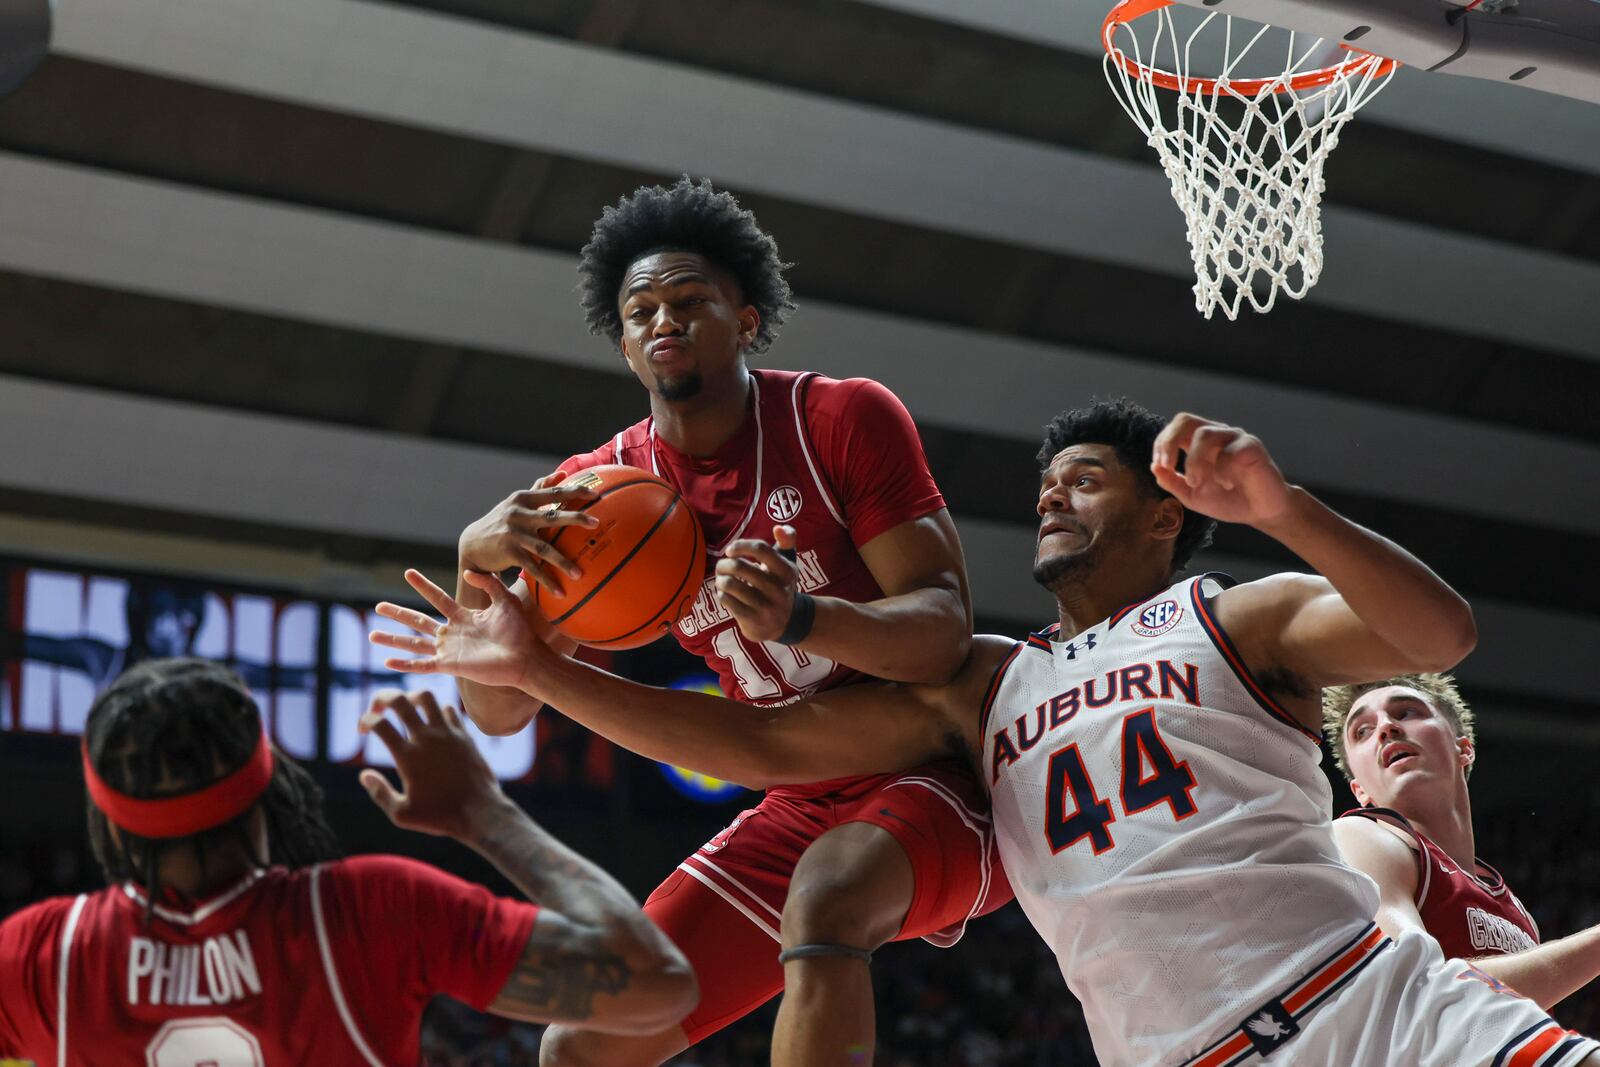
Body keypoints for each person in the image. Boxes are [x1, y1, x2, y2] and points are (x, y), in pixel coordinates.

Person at [378, 399, 1600, 1066]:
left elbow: (1437, 636)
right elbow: (753, 752)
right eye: (1044, 484)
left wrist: (1287, 509)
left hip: (1387, 1014)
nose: (1048, 494)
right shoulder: (982, 684)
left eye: (1080, 477)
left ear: (1164, 514)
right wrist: (540, 668)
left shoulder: (1232, 616)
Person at [447, 177, 1007, 1067]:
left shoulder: (840, 418)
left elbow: (944, 632)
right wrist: (479, 564)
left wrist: (806, 616)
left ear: (746, 320)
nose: (662, 321)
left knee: (824, 901)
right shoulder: (595, 492)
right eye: (641, 312)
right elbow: (499, 710)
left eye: (688, 300)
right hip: (798, 784)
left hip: (944, 760)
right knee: (582, 1043)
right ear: (626, 346)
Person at [0, 658, 695, 1065]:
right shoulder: (369, 911)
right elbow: (659, 983)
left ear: (111, 827)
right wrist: (485, 815)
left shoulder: (42, 953)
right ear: (269, 791)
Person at [1326, 674, 1600, 1010]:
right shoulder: (1360, 836)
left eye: (1407, 712)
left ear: (1464, 749)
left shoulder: (1519, 913)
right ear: (1360, 791)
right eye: (1362, 731)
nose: (1385, 727)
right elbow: (1420, 986)